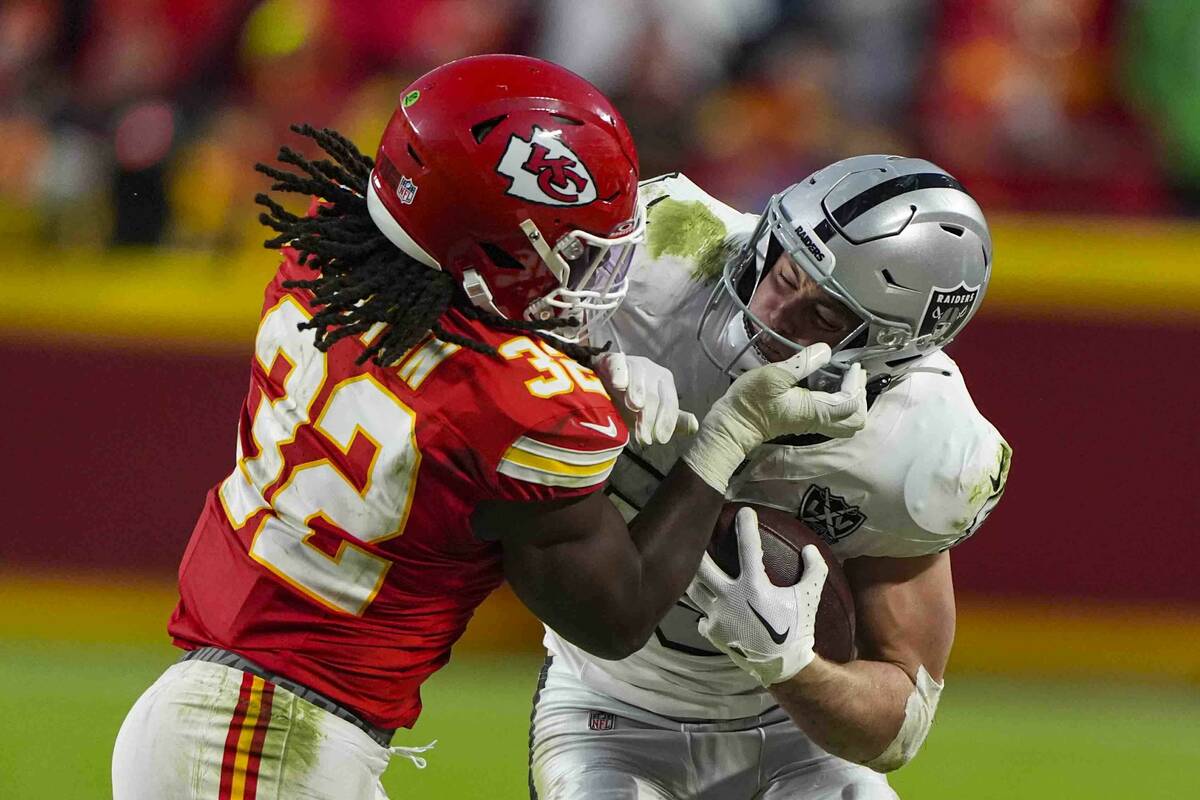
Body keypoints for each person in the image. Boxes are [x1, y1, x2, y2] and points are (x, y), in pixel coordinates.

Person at [110, 55, 870, 800]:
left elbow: (455, 338)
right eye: (578, 256)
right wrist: (728, 434)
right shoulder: (523, 407)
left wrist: (590, 353)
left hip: (232, 719)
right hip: (265, 741)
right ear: (492, 254)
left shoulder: (328, 252)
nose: (595, 281)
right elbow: (617, 613)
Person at [530, 157, 1012, 799]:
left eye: (825, 317)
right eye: (785, 271)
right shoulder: (656, 255)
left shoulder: (924, 445)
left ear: (891, 350)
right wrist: (573, 380)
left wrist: (791, 666)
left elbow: (896, 729)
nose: (773, 313)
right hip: (609, 705)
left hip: (795, 736)